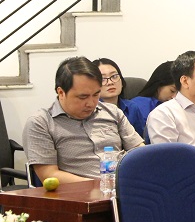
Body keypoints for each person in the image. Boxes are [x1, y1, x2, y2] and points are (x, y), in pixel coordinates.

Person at [22, 56, 144, 184]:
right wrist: (101, 185)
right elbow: (49, 174)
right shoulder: (41, 123)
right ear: (61, 92)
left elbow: (139, 151)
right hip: (78, 193)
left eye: (96, 94)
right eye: (83, 97)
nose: (91, 103)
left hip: (125, 186)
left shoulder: (112, 112)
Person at [93, 58, 146, 138]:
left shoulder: (132, 108)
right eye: (102, 79)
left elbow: (141, 138)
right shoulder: (90, 111)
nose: (110, 82)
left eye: (114, 76)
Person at [127, 60, 178, 139]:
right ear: (159, 84)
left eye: (179, 93)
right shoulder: (138, 105)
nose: (174, 97)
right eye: (172, 91)